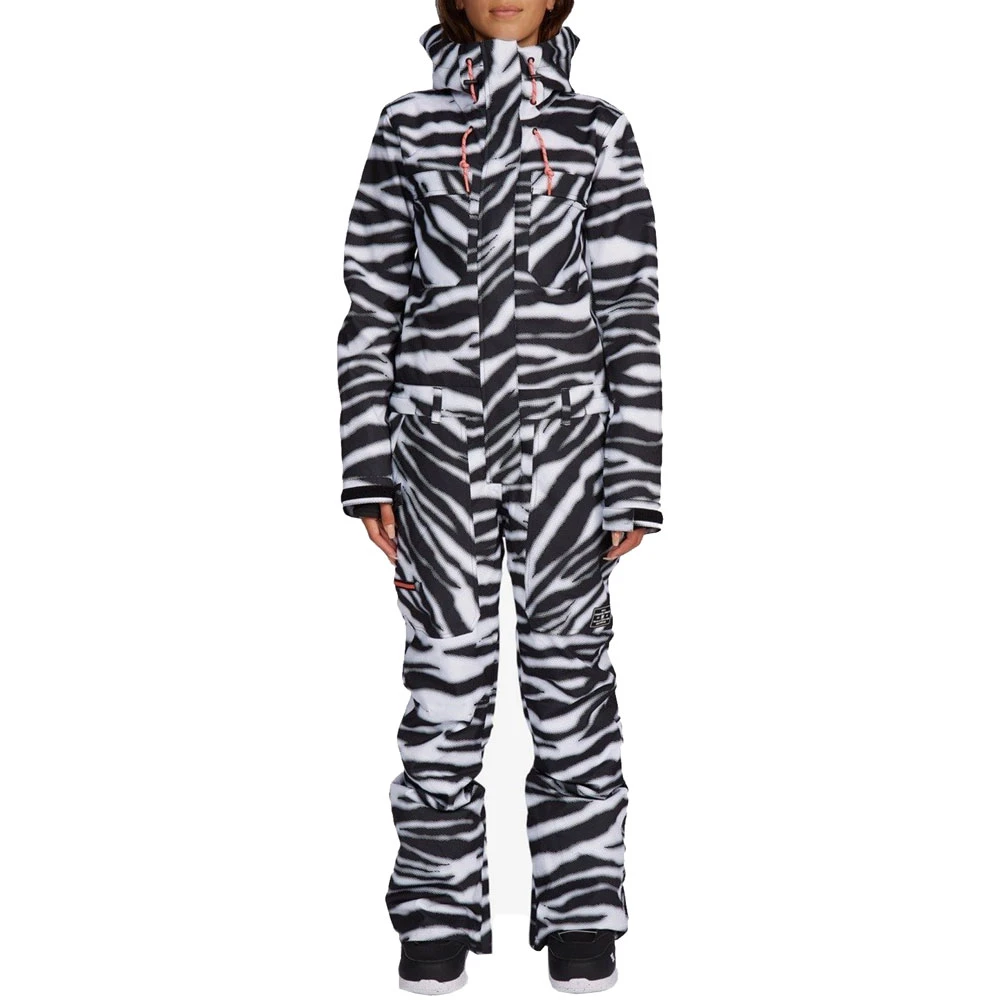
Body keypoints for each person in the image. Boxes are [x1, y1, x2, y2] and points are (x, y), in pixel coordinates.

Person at [336, 0, 661, 992]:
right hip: (438, 454)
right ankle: (435, 917)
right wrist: (369, 462)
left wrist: (633, 473)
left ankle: (582, 916)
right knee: (443, 687)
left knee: (571, 684)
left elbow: (631, 312)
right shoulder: (407, 129)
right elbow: (370, 304)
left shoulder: (599, 131)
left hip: (568, 457)